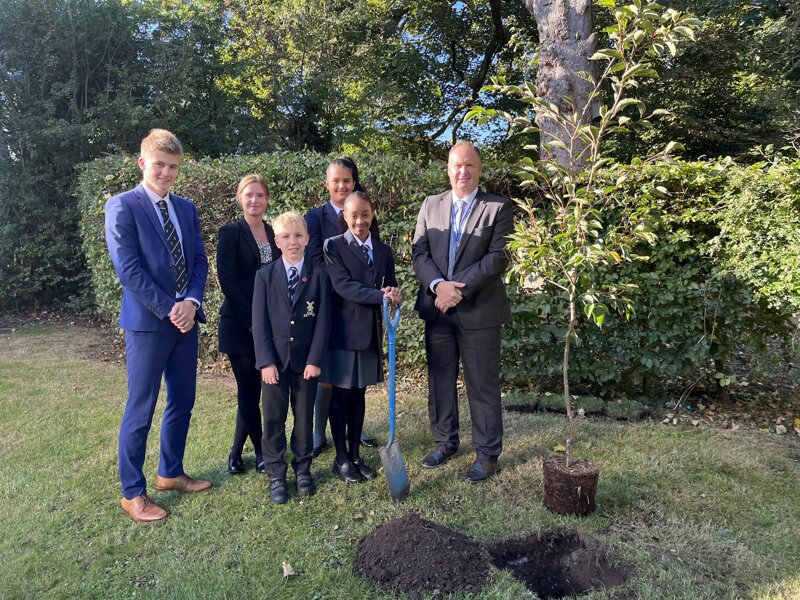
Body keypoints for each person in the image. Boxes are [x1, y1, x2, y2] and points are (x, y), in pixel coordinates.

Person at [104, 129, 211, 523]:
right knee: (141, 407)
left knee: (183, 399)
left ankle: (170, 472)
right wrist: (170, 308)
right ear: (143, 163)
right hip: (148, 324)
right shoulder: (122, 206)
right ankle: (133, 493)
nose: (166, 173)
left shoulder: (185, 207)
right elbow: (128, 270)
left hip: (186, 321)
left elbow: (199, 260)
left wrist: (191, 302)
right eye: (160, 164)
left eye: (174, 167)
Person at [411, 141, 514, 483]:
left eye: (470, 165)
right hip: (438, 309)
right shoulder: (430, 205)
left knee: (481, 384)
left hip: (479, 312)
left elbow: (498, 257)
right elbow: (420, 252)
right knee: (440, 381)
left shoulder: (498, 208)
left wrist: (458, 290)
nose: (463, 172)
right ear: (448, 168)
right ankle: (445, 442)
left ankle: (486, 452)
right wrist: (439, 286)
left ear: (479, 169)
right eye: (457, 165)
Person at [252, 212, 331, 504]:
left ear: (307, 239)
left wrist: (315, 359)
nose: (293, 242)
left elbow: (324, 322)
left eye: (298, 236)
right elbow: (259, 323)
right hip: (274, 364)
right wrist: (265, 362)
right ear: (277, 241)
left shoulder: (319, 275)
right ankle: (276, 474)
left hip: (305, 365)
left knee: (302, 419)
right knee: (273, 419)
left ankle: (303, 469)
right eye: (286, 236)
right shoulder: (265, 276)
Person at [323, 191, 401, 484]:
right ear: (344, 216)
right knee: (342, 395)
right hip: (343, 334)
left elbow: (389, 283)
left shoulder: (382, 250)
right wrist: (380, 295)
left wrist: (393, 293)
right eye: (353, 215)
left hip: (370, 333)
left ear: (372, 214)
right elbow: (344, 287)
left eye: (365, 214)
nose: (359, 221)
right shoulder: (333, 246)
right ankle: (341, 458)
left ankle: (355, 455)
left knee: (359, 394)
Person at [305, 157, 378, 457]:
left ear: (354, 181)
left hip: (360, 307)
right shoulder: (315, 216)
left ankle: (353, 432)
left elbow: (372, 258)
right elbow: (314, 260)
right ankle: (318, 432)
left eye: (346, 180)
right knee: (329, 376)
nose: (341, 185)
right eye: (335, 181)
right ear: (327, 184)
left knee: (354, 378)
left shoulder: (365, 212)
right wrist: (342, 281)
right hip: (329, 303)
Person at [217, 174, 280, 475]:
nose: (254, 200)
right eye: (249, 195)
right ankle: (261, 451)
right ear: (240, 197)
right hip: (240, 322)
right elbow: (227, 282)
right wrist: (252, 320)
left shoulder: (274, 231)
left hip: (267, 323)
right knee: (248, 389)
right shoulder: (230, 233)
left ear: (267, 199)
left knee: (255, 391)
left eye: (260, 195)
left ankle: (234, 453)